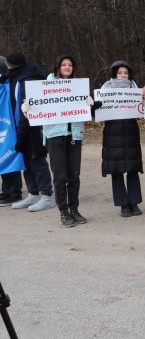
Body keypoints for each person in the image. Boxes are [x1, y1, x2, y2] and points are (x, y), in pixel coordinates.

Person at [42, 55, 92, 227]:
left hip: (74, 135)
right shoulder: (46, 86)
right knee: (60, 176)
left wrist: (90, 104)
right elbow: (35, 107)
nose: (67, 67)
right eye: (64, 64)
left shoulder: (79, 87)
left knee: (74, 176)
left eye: (70, 64)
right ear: (58, 67)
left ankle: (74, 209)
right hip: (55, 135)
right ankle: (63, 211)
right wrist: (27, 109)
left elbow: (86, 110)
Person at [4, 53, 56, 212]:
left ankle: (47, 195)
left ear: (10, 63)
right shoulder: (14, 76)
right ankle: (33, 193)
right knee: (25, 160)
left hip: (32, 126)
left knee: (36, 159)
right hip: (19, 125)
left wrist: (22, 129)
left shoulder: (30, 79)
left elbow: (29, 109)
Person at [95, 60, 144, 217]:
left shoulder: (134, 88)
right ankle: (123, 204)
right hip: (112, 133)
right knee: (116, 170)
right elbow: (99, 113)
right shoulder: (105, 88)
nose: (123, 76)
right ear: (114, 74)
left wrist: (143, 99)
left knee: (132, 168)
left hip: (130, 131)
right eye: (119, 73)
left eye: (125, 73)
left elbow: (140, 114)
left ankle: (134, 202)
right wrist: (95, 105)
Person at [0, 55, 24, 207]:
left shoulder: (8, 84)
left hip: (9, 123)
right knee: (2, 155)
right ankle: (6, 189)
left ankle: (15, 192)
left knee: (10, 153)